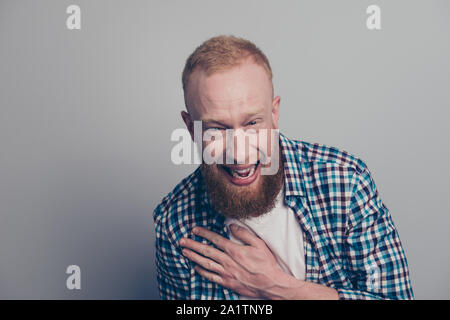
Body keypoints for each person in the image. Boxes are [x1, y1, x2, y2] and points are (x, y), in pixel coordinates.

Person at [153, 35, 414, 300]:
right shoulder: (174, 223)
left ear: (274, 113)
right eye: (216, 129)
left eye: (252, 123)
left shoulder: (345, 182)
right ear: (190, 127)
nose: (239, 153)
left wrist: (278, 287)